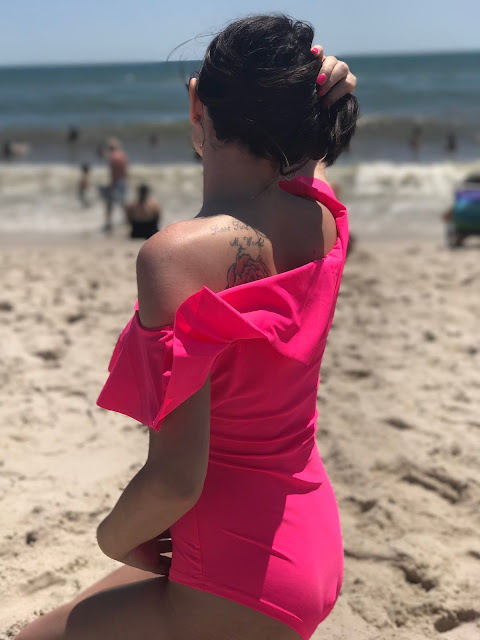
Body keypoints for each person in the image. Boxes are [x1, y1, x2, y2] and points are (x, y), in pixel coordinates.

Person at [16, 14, 358, 640]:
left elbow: (176, 480)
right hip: (310, 538)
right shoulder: (325, 216)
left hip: (236, 576)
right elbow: (310, 164)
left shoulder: (175, 258)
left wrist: (113, 538)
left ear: (196, 101)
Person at [100, 137, 129, 232]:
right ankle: (127, 221)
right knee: (122, 203)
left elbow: (113, 173)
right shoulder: (123, 155)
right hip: (123, 181)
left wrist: (110, 184)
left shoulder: (113, 157)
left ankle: (108, 223)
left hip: (116, 181)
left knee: (109, 203)